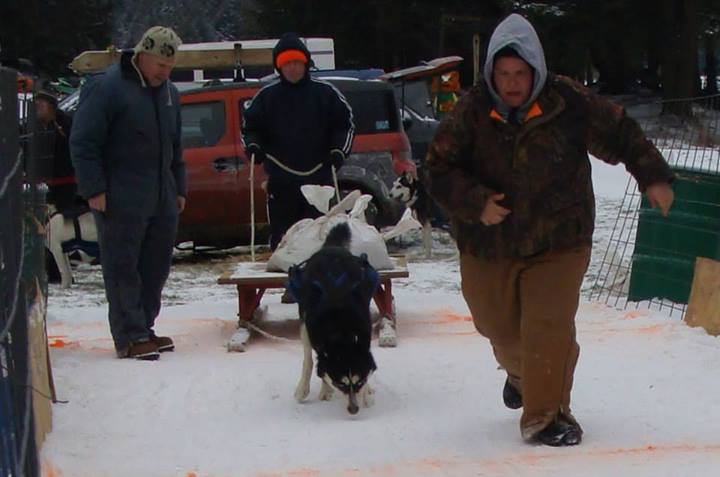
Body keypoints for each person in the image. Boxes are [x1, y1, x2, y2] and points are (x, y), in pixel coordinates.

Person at [425, 14, 675, 446]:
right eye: (502, 74)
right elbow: (438, 168)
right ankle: (523, 375)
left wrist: (652, 175)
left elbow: (621, 132)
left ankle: (546, 415)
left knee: (547, 325)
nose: (512, 83)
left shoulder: (568, 102)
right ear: (490, 74)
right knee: (496, 326)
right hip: (490, 242)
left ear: (536, 69)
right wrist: (475, 202)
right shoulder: (472, 110)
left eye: (520, 73)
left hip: (560, 237)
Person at [70, 26, 186, 361]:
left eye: (170, 67)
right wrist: (94, 189)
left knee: (156, 264)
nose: (165, 73)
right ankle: (129, 335)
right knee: (123, 265)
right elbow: (83, 142)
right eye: (160, 66)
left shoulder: (169, 94)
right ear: (142, 55)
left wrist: (179, 187)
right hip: (120, 193)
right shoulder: (106, 88)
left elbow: (176, 146)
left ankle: (145, 327)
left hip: (161, 193)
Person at [241, 32, 355, 253]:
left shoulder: (326, 94)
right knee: (284, 243)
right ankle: (285, 286)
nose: (292, 68)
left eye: (296, 62)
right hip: (281, 183)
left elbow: (345, 124)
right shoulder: (266, 97)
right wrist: (254, 146)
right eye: (287, 63)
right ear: (279, 67)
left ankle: (321, 284)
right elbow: (249, 128)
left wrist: (339, 150)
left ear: (305, 63)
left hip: (319, 181)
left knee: (321, 241)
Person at [35, 90, 85, 212]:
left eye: (41, 104)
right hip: (45, 182)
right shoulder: (34, 125)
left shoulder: (65, 124)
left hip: (66, 181)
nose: (38, 107)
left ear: (51, 107)